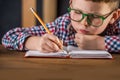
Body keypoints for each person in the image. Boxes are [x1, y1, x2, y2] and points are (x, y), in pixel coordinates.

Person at [2, 0, 120, 53]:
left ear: (114, 16)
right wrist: (35, 43)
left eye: (94, 16)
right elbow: (8, 37)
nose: (84, 23)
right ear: (71, 4)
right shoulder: (63, 25)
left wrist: (101, 43)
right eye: (78, 12)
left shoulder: (117, 25)